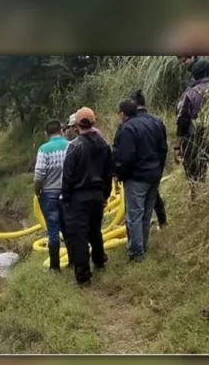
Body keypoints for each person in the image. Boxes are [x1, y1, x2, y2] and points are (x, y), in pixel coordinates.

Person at [62, 107, 113, 286]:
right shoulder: (105, 145)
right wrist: (105, 195)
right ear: (94, 122)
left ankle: (83, 276)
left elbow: (67, 176)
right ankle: (100, 261)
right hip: (98, 196)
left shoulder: (74, 147)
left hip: (78, 197)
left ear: (76, 125)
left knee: (79, 236)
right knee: (95, 230)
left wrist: (66, 199)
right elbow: (109, 174)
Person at [113, 99, 168, 262]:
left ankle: (136, 252)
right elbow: (163, 149)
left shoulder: (127, 128)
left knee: (134, 215)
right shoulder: (155, 122)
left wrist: (118, 174)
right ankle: (143, 246)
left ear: (123, 114)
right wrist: (159, 170)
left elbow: (126, 157)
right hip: (154, 174)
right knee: (146, 213)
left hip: (137, 177)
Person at [174, 56, 209, 198]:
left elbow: (183, 120)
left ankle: (197, 200)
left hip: (195, 139)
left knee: (194, 174)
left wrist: (177, 145)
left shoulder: (191, 93)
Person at [34, 119, 71, 272]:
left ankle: (54, 267)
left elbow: (39, 174)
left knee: (53, 230)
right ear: (62, 131)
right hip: (69, 194)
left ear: (46, 133)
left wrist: (37, 191)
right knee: (68, 228)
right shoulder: (71, 145)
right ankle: (73, 261)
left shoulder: (44, 149)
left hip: (49, 195)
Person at [129, 89, 168, 229]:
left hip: (138, 169)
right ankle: (162, 220)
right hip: (155, 165)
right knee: (154, 192)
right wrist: (160, 167)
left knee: (138, 201)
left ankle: (141, 232)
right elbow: (163, 147)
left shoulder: (130, 123)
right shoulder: (157, 121)